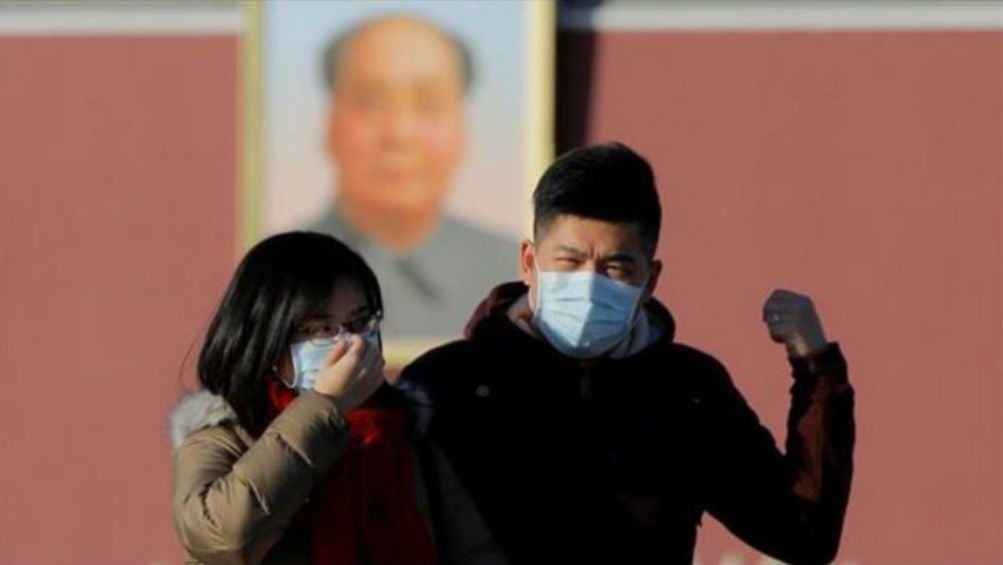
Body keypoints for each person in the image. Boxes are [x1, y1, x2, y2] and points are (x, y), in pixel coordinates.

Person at [397, 143, 855, 565]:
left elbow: (803, 533)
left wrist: (816, 365)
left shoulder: (688, 390)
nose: (590, 285)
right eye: (570, 262)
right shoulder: (446, 386)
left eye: (616, 267)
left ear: (650, 279)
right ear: (528, 262)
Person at [168, 232, 505, 565]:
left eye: (359, 322)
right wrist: (324, 406)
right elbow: (222, 538)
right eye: (319, 329)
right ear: (267, 338)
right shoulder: (224, 435)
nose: (350, 344)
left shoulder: (408, 435)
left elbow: (475, 551)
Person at [305, 15, 517, 340]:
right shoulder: (286, 269)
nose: (400, 134)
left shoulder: (508, 273)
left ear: (463, 130)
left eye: (429, 105)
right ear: (330, 124)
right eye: (370, 102)